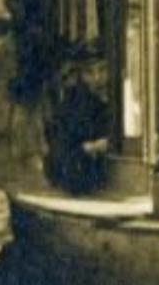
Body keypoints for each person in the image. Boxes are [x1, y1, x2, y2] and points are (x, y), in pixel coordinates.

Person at [44, 42, 111, 195]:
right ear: (81, 75)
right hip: (80, 184)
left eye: (102, 70)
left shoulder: (117, 100)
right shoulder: (71, 106)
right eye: (90, 73)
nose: (97, 78)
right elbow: (59, 151)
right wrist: (90, 148)